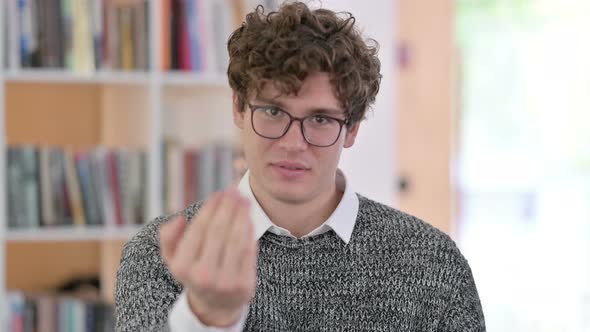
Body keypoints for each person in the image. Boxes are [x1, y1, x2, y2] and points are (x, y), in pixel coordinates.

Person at [115, 2, 486, 331]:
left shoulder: (433, 264)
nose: (293, 143)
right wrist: (208, 319)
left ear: (352, 128)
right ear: (239, 109)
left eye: (321, 119)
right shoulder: (159, 257)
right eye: (274, 112)